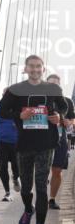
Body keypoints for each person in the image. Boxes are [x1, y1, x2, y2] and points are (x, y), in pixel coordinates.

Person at [0, 55, 74, 224]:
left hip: (46, 144)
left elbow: (63, 108)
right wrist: (19, 114)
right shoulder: (16, 90)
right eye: (31, 66)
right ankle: (28, 209)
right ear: (25, 68)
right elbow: (1, 110)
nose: (35, 69)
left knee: (41, 186)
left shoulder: (53, 89)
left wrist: (57, 116)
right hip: (24, 144)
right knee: (25, 188)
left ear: (43, 69)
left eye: (38, 66)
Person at [46, 74, 74, 210]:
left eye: (56, 85)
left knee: (57, 171)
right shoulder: (40, 99)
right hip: (42, 140)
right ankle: (38, 196)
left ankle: (52, 199)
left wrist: (69, 122)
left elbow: (73, 119)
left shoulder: (67, 101)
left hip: (60, 139)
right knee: (41, 170)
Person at [0, 89, 21, 201]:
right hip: (2, 142)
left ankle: (16, 178)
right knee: (3, 166)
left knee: (16, 166)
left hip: (16, 142)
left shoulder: (19, 107)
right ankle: (7, 192)